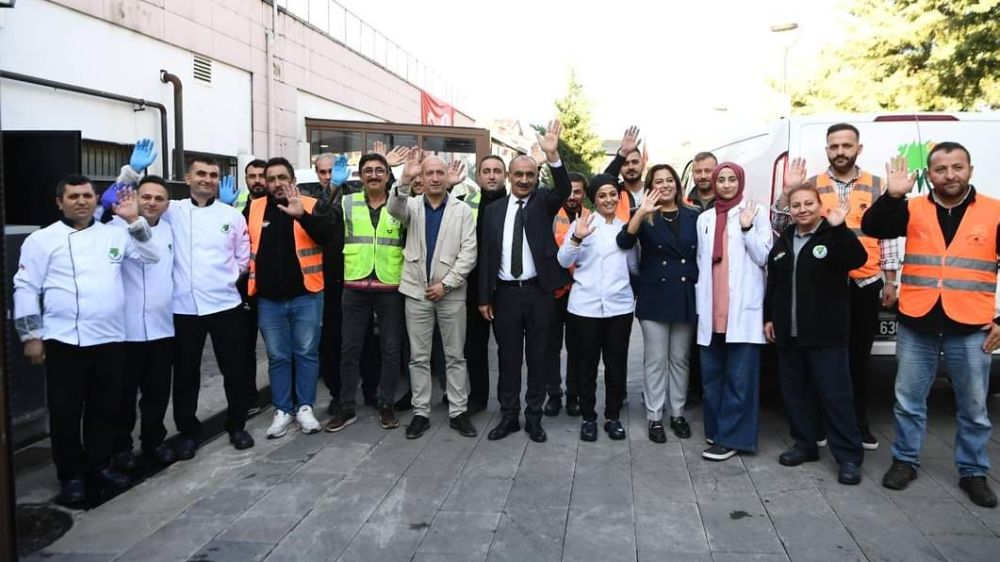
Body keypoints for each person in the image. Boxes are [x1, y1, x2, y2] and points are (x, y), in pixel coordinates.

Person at [862, 143, 1000, 508]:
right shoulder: (911, 207)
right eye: (940, 169)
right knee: (908, 401)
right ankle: (905, 461)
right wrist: (892, 196)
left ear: (970, 169)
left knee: (973, 407)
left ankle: (972, 471)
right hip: (917, 320)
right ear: (930, 174)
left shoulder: (994, 210)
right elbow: (872, 226)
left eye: (957, 167)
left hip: (971, 325)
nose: (949, 175)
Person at [13, 174, 159, 504]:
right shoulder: (41, 240)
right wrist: (30, 335)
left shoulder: (114, 235)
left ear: (97, 200)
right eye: (74, 196)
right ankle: (71, 475)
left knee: (104, 409)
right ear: (59, 202)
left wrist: (134, 219)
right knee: (65, 413)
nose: (81, 201)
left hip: (110, 340)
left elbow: (151, 256)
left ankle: (99, 466)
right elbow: (25, 287)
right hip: (64, 342)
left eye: (87, 195)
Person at [773, 123, 899, 450]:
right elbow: (782, 226)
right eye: (834, 146)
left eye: (846, 145)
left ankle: (857, 424)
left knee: (858, 359)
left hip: (865, 280)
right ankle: (817, 427)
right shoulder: (812, 185)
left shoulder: (877, 184)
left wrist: (890, 280)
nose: (840, 151)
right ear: (826, 149)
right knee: (817, 361)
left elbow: (887, 234)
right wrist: (789, 191)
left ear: (858, 148)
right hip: (824, 285)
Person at [764, 185, 867, 485]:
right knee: (796, 393)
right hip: (788, 333)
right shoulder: (784, 241)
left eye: (809, 203)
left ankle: (848, 457)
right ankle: (805, 445)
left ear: (820, 205)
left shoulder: (832, 236)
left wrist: (841, 228)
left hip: (826, 333)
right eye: (796, 205)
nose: (802, 209)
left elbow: (856, 259)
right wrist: (769, 317)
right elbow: (775, 284)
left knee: (835, 396)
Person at [478, 120, 569, 443]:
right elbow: (487, 255)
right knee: (507, 358)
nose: (524, 180)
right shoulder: (494, 210)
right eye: (518, 175)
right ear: (508, 177)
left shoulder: (544, 204)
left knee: (539, 358)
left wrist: (552, 155)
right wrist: (484, 297)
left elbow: (563, 190)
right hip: (504, 296)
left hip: (539, 293)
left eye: (530, 175)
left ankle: (534, 417)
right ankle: (508, 416)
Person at [166, 156, 255, 459]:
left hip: (225, 304)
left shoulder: (232, 215)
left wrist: (227, 279)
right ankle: (189, 432)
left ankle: (237, 426)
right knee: (186, 373)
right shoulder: (172, 211)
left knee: (236, 370)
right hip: (184, 307)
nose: (207, 179)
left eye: (213, 175)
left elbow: (244, 257)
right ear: (188, 178)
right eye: (200, 174)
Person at [388, 150, 479, 438]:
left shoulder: (461, 210)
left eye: (440, 173)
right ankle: (420, 412)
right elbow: (393, 208)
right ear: (422, 178)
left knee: (455, 355)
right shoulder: (411, 206)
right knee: (418, 357)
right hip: (416, 293)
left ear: (446, 178)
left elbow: (469, 254)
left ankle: (458, 411)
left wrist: (447, 284)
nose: (435, 178)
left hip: (450, 294)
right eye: (429, 173)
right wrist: (404, 177)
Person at [247, 158, 334, 438]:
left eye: (281, 177)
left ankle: (305, 408)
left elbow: (326, 237)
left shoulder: (309, 204)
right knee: (277, 356)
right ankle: (282, 410)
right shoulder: (255, 208)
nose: (276, 183)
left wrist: (302, 216)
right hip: (269, 300)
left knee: (306, 353)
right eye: (271, 179)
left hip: (306, 295)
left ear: (292, 179)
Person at [325, 151, 407, 432]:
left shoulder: (399, 203)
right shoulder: (347, 202)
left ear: (387, 175)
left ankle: (386, 404)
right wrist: (333, 186)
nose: (373, 175)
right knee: (349, 349)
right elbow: (321, 216)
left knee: (391, 349)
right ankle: (346, 406)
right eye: (367, 170)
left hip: (390, 285)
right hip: (355, 285)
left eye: (379, 170)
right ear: (360, 176)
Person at [696, 162, 772, 461]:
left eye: (731, 180)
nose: (726, 185)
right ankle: (717, 430)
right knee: (712, 375)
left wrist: (746, 227)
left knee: (740, 377)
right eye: (721, 180)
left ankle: (734, 438)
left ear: (740, 182)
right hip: (712, 305)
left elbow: (763, 255)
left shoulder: (756, 211)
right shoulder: (704, 218)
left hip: (743, 309)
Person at [617, 164, 699, 443]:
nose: (664, 185)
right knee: (655, 360)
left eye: (668, 180)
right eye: (657, 181)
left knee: (680, 358)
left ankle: (676, 413)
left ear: (677, 184)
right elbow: (624, 241)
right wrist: (641, 212)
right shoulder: (643, 215)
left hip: (686, 291)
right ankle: (654, 416)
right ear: (650, 186)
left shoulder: (695, 214)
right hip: (655, 294)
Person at [558, 174, 637, 441]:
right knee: (586, 365)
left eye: (612, 194)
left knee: (616, 364)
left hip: (619, 307)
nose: (608, 199)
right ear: (594, 198)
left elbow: (634, 266)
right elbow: (563, 260)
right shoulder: (582, 224)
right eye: (602, 195)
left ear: (619, 196)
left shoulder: (627, 228)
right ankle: (588, 417)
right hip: (585, 308)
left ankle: (612, 416)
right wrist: (577, 238)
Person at [110, 175, 177, 471]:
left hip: (163, 328)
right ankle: (121, 447)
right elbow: (99, 203)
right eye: (146, 196)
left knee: (157, 392)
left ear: (166, 205)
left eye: (158, 199)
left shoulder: (172, 231)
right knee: (123, 395)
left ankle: (154, 441)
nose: (151, 203)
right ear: (135, 198)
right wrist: (126, 175)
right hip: (126, 330)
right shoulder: (112, 229)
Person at [461, 155, 510, 413]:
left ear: (505, 175)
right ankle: (478, 397)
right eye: (486, 171)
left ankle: (507, 401)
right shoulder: (466, 204)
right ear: (478, 176)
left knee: (507, 349)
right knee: (474, 347)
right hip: (472, 286)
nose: (492, 176)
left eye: (497, 171)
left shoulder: (516, 204)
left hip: (505, 287)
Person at [545, 172, 588, 417]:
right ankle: (553, 395)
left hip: (578, 292)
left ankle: (573, 395)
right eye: (569, 191)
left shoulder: (589, 218)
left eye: (578, 192)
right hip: (553, 292)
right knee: (551, 347)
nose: (572, 196)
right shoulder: (548, 213)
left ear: (584, 194)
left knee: (577, 347)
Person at [603, 125, 646, 221]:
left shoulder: (654, 190)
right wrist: (622, 153)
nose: (631, 167)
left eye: (635, 162)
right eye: (625, 163)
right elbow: (603, 181)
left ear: (642, 164)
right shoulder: (614, 192)